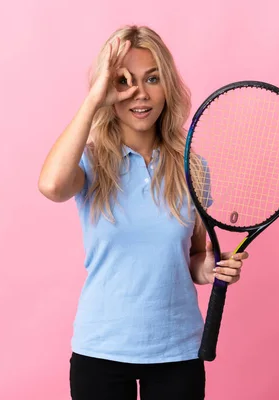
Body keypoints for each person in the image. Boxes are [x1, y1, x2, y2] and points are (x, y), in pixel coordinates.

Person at [38, 25, 248, 400]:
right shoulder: (89, 162)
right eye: (123, 81)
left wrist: (214, 267)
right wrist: (93, 100)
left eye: (152, 78)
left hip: (178, 352)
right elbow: (52, 186)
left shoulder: (192, 168)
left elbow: (194, 257)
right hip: (101, 350)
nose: (139, 93)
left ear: (166, 86)